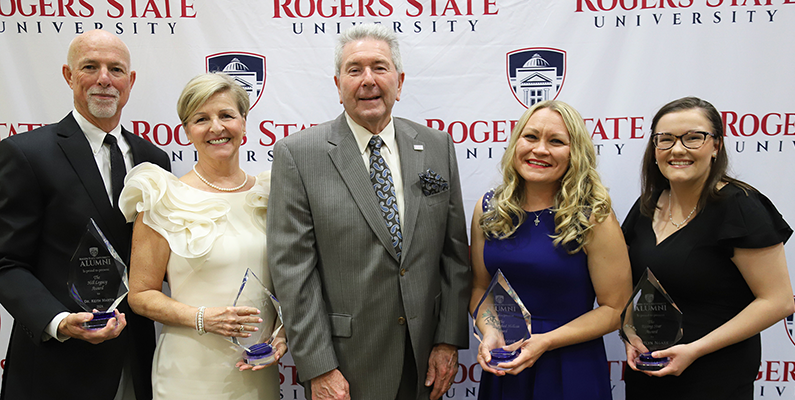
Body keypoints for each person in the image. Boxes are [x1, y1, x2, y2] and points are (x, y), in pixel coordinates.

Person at [267, 24, 470, 400]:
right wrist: (319, 365)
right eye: (354, 69)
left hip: (423, 357)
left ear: (400, 80)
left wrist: (447, 341)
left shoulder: (436, 145)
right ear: (337, 83)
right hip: (345, 363)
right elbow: (293, 272)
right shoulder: (299, 155)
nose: (368, 80)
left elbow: (454, 255)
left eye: (380, 67)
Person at [0, 30, 170, 400]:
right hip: (55, 366)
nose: (104, 79)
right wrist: (59, 322)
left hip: (135, 360)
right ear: (69, 75)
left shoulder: (155, 161)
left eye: (116, 69)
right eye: (90, 67)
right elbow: (6, 263)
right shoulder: (27, 154)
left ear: (131, 81)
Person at [120, 72, 283, 400]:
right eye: (201, 119)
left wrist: (284, 333)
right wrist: (202, 317)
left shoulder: (272, 194)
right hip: (188, 373)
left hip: (258, 369)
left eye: (226, 115)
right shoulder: (162, 196)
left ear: (244, 123)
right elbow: (140, 294)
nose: (216, 128)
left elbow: (290, 280)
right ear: (186, 132)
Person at [621, 96, 794, 399]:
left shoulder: (740, 208)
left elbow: (778, 302)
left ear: (716, 146)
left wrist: (694, 350)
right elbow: (631, 286)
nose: (677, 149)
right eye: (666, 140)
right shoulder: (647, 205)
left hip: (715, 379)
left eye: (693, 138)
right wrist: (629, 332)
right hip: (648, 376)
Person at [470, 100, 632, 400]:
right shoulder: (488, 208)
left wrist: (545, 342)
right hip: (506, 364)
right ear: (516, 142)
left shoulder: (594, 215)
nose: (540, 149)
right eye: (530, 137)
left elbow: (615, 309)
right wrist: (490, 331)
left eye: (556, 141)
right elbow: (480, 288)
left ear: (575, 153)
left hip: (571, 366)